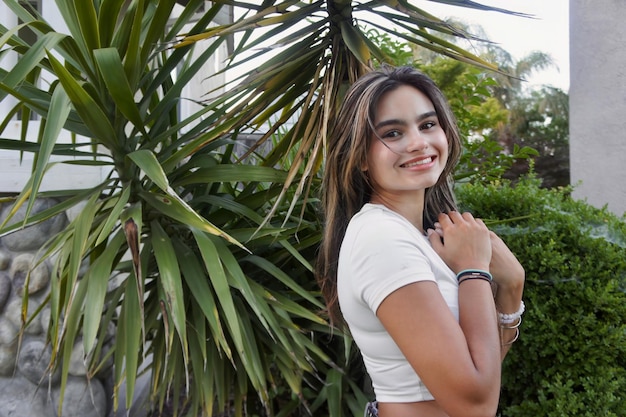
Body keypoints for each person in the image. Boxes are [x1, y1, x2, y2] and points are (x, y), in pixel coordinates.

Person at [316, 65, 525, 417]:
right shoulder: (382, 240)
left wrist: (512, 287)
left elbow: (482, 374)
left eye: (428, 125)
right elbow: (476, 404)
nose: (418, 143)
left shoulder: (415, 237)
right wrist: (474, 271)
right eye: (393, 133)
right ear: (361, 157)